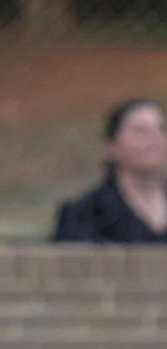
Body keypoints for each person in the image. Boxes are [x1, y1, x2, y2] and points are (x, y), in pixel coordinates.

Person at [53, 99, 167, 243]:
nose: (155, 139)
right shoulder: (86, 213)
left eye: (161, 129)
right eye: (140, 131)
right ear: (112, 145)